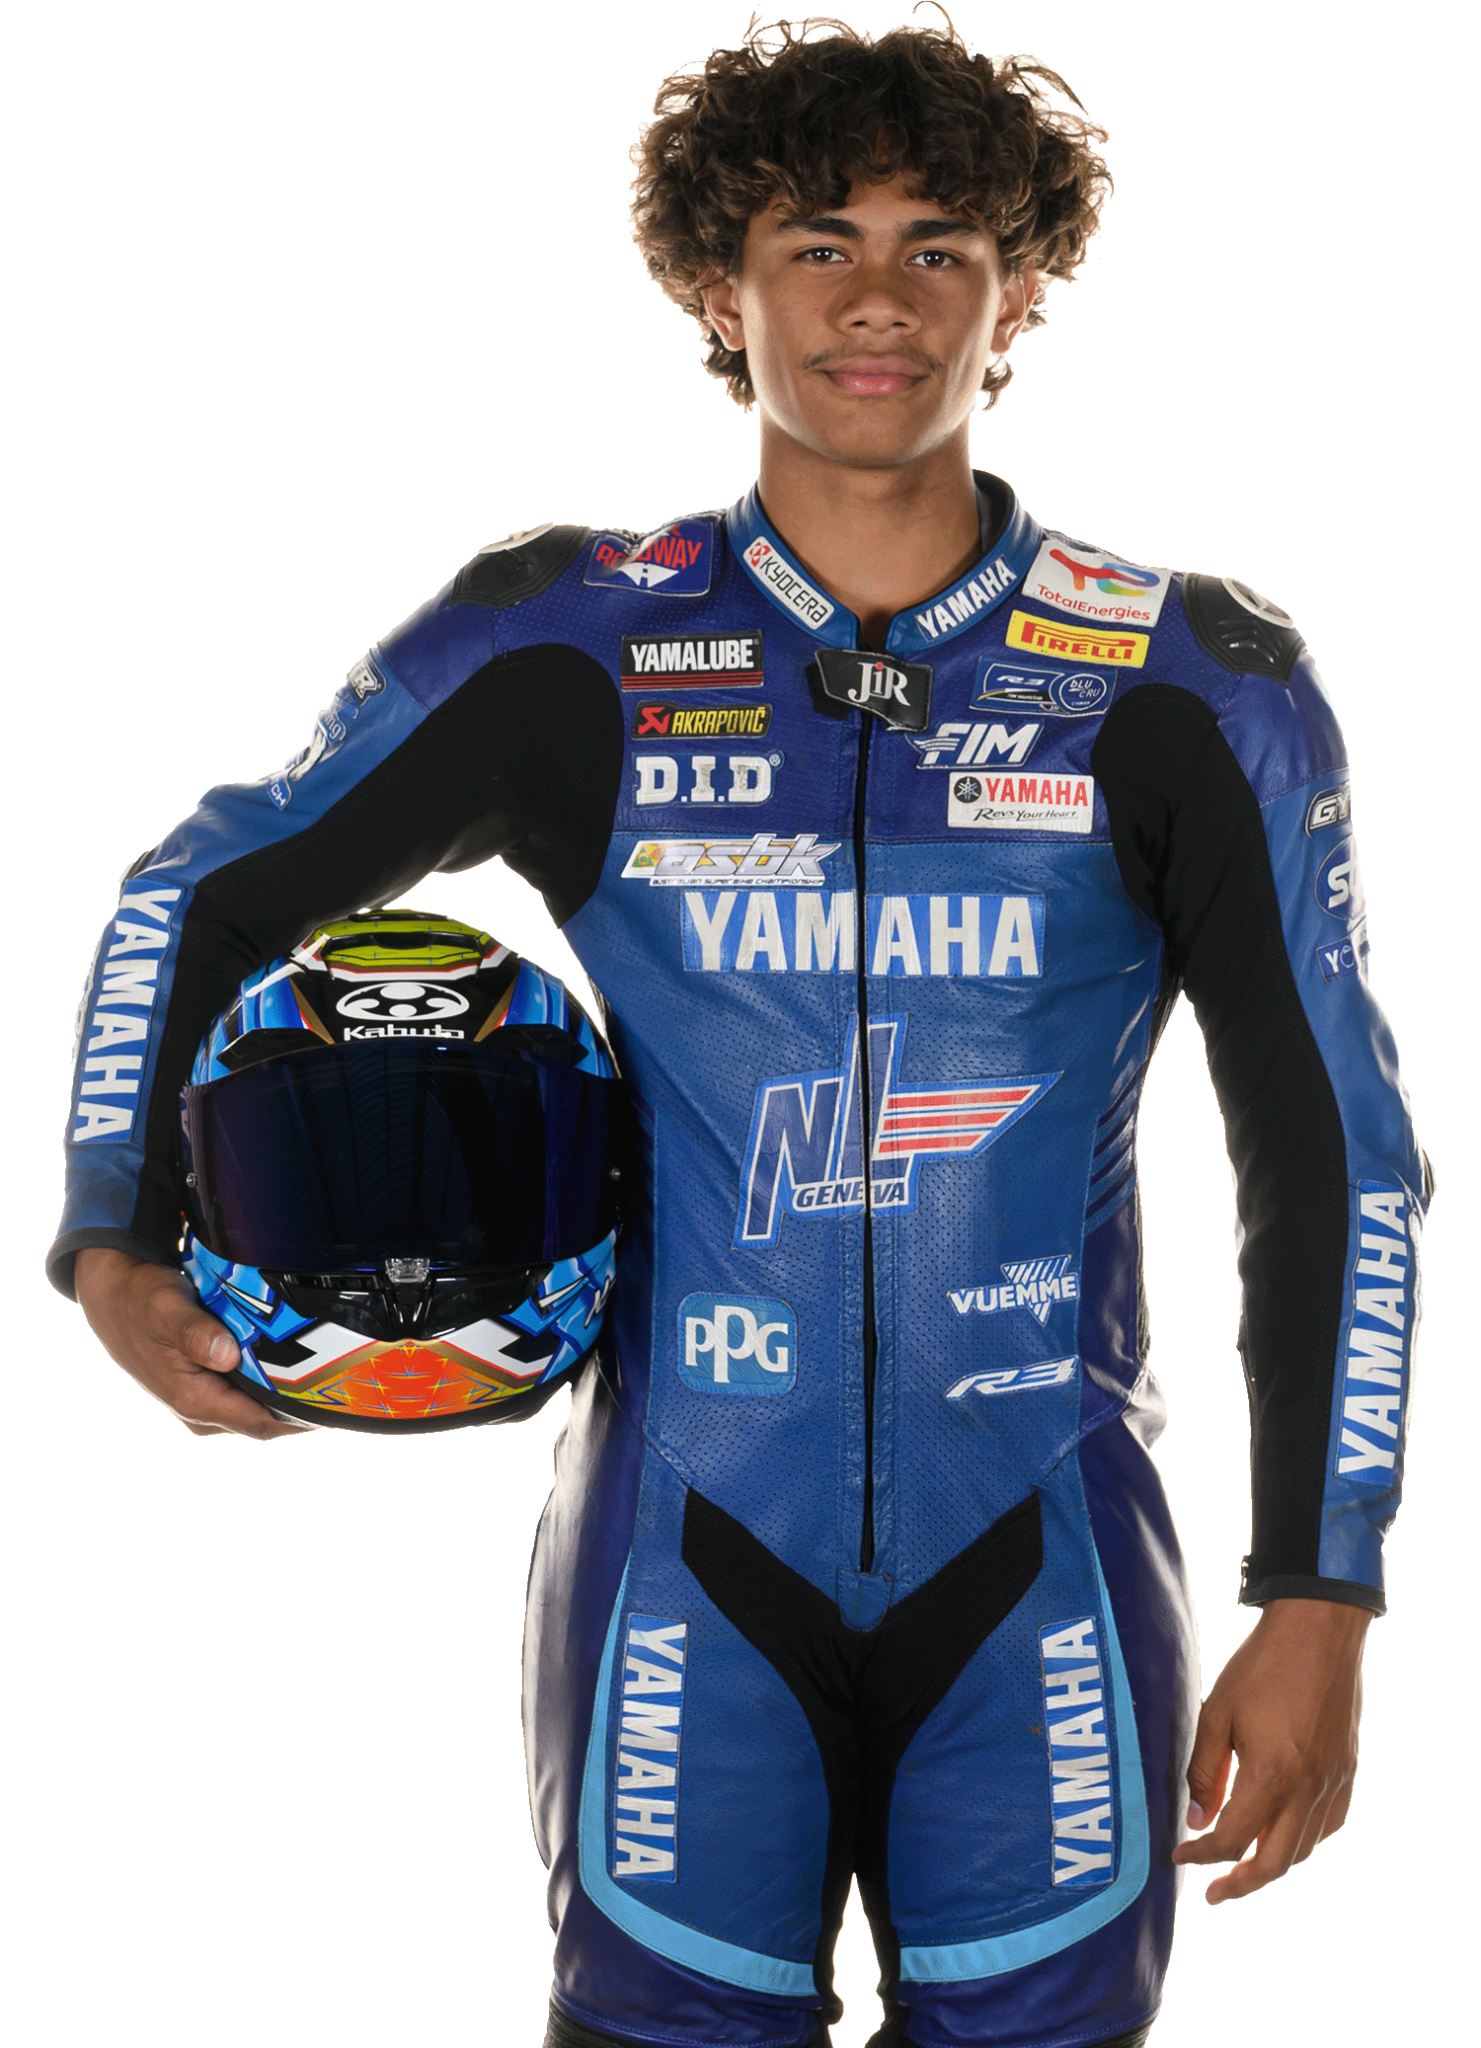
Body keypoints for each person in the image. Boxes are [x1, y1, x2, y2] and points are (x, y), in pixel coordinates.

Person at [49, 18, 1430, 2048]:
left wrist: (1320, 1593)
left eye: (938, 248)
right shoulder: (568, 635)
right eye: (816, 245)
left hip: (1046, 1552)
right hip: (676, 1548)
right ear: (718, 284)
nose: (879, 301)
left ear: (1020, 293)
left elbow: (1333, 1150)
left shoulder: (1188, 678)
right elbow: (198, 887)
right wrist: (112, 1230)